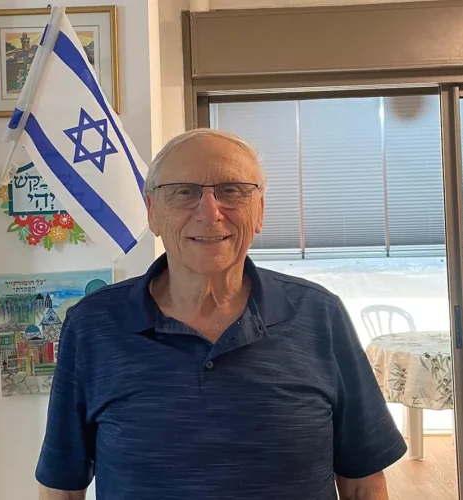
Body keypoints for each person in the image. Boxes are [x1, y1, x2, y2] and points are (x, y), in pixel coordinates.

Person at [35, 128, 407, 500]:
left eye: (232, 190)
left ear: (259, 211)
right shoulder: (92, 326)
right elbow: (62, 489)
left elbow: (363, 483)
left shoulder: (320, 315)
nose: (210, 213)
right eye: (184, 192)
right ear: (152, 212)